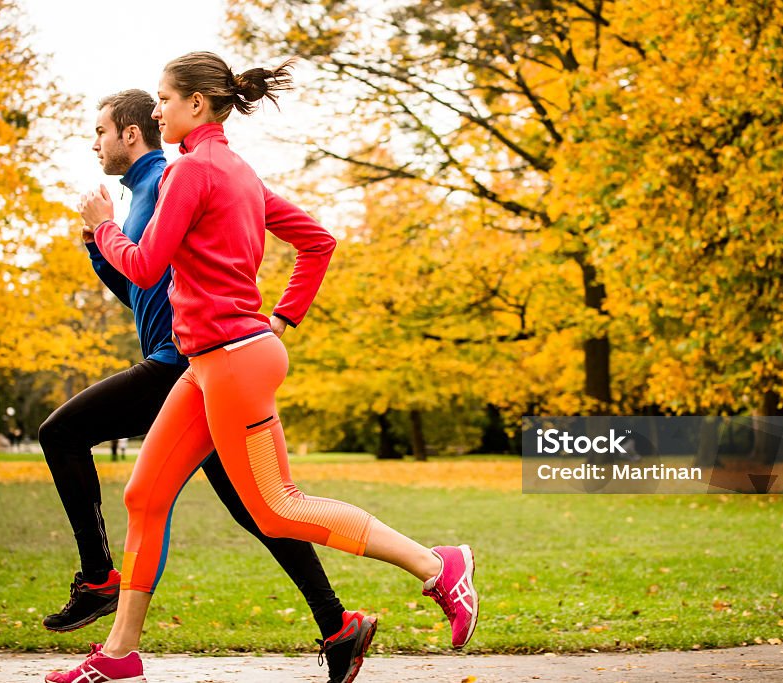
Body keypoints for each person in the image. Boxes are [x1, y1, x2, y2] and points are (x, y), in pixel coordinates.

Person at [54, 52, 479, 683]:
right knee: (144, 495)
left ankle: (438, 566)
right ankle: (118, 657)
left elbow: (143, 266)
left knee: (277, 507)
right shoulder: (239, 173)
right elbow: (318, 241)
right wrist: (283, 316)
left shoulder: (191, 171)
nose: (159, 109)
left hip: (230, 362)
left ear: (194, 104)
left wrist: (104, 229)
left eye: (166, 99)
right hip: (211, 362)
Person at [40, 89, 374, 683]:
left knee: (62, 432)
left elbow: (155, 274)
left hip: (186, 364)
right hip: (194, 365)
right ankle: (337, 624)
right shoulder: (148, 189)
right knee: (260, 510)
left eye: (100, 131)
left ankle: (99, 579)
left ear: (131, 133)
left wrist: (109, 233)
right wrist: (98, 243)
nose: (93, 143)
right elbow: (142, 292)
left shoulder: (175, 179)